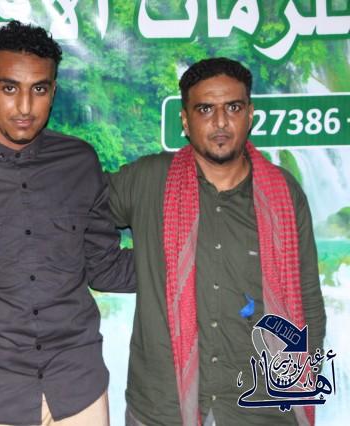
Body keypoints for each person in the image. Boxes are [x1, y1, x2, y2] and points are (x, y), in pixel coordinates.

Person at [0, 20, 135, 425]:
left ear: (53, 91)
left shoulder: (80, 162)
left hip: (77, 387)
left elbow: (103, 265)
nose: (25, 107)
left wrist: (188, 260)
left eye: (39, 89)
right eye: (9, 88)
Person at [109, 57, 326, 426]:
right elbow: (74, 221)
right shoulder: (147, 180)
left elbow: (308, 303)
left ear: (250, 114)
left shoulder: (284, 195)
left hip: (261, 408)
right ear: (185, 120)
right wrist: (136, 269)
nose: (221, 122)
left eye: (233, 108)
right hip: (162, 409)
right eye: (206, 109)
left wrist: (296, 388)